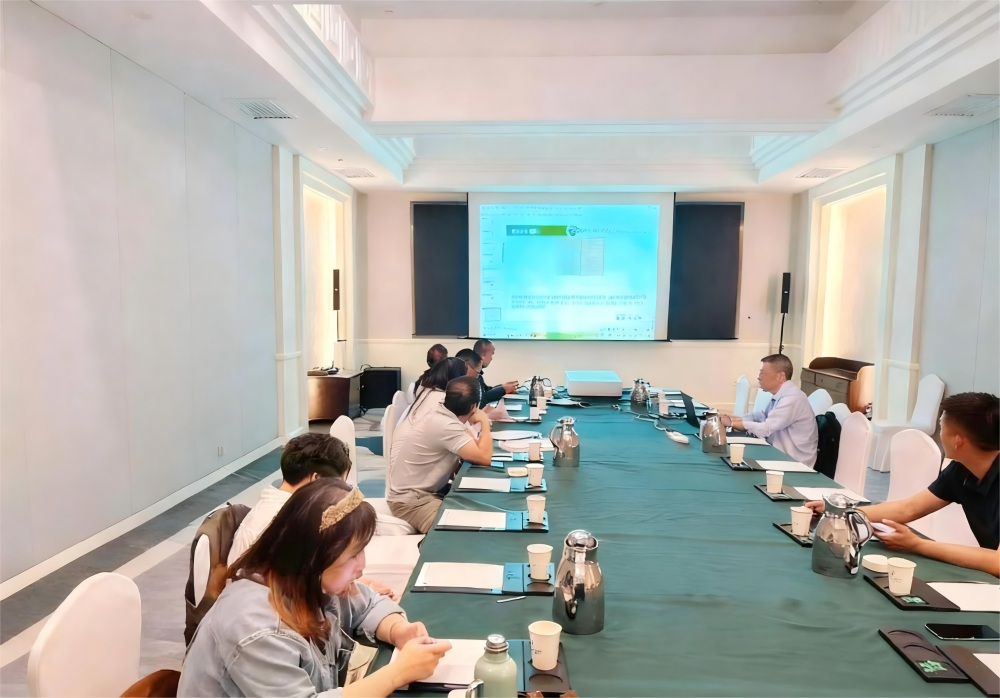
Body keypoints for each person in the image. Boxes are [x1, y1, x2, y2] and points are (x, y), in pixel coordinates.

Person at [179, 479, 451, 697]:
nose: (362, 566)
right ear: (312, 557)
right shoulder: (256, 628)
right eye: (353, 555)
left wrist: (398, 629)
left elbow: (367, 602)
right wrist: (397, 673)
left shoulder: (307, 581)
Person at [806, 392, 999, 577]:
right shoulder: (961, 471)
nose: (940, 434)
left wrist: (917, 545)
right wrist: (840, 512)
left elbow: (997, 563)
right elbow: (909, 508)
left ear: (958, 441)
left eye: (942, 427)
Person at [228, 433, 395, 599]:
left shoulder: (276, 508)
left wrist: (364, 586)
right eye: (338, 485)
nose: (342, 493)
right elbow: (306, 580)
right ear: (317, 479)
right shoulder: (290, 522)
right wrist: (366, 589)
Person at [388, 376, 493, 533]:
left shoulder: (441, 415)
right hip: (412, 503)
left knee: (481, 506)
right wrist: (484, 421)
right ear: (474, 406)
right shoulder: (445, 425)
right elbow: (484, 457)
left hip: (424, 493)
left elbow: (473, 450)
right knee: (461, 531)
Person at [720, 354, 818, 468]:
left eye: (763, 373)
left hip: (794, 462)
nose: (759, 377)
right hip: (779, 455)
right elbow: (762, 416)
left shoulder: (792, 398)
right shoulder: (782, 394)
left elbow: (766, 429)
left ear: (781, 376)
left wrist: (731, 423)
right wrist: (734, 418)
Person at [472, 338, 518, 408]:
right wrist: (503, 389)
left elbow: (486, 390)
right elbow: (481, 400)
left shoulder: (478, 375)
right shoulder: (472, 375)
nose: (491, 358)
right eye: (491, 354)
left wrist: (502, 386)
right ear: (483, 354)